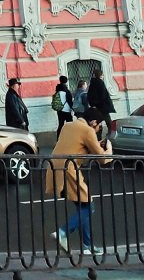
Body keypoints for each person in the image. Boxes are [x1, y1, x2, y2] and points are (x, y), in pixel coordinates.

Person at [47, 107, 112, 252]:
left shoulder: (68, 125)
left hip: (54, 167)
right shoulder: (87, 131)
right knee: (90, 207)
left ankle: (87, 246)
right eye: (99, 125)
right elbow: (102, 159)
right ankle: (62, 232)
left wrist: (94, 145)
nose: (99, 128)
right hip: (70, 168)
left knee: (83, 206)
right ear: (93, 122)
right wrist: (109, 149)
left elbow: (74, 145)